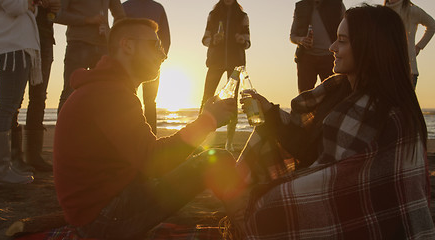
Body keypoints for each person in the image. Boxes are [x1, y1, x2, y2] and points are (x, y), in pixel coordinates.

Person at [224, 4, 434, 238]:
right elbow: (309, 148)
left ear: (368, 47)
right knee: (258, 145)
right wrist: (270, 112)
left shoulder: (373, 112)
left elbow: (331, 181)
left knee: (263, 205)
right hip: (346, 199)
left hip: (366, 219)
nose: (332, 47)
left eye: (342, 40)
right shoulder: (341, 91)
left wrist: (269, 193)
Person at [53, 18, 241, 239]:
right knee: (216, 159)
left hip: (100, 208)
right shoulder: (110, 93)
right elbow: (154, 161)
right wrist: (208, 121)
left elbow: (144, 158)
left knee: (199, 156)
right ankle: (248, 225)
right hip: (102, 219)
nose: (163, 55)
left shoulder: (107, 88)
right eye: (155, 46)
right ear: (128, 46)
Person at [0, 0, 42, 184]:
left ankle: (2, 168)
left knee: (7, 106)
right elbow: (15, 6)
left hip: (15, 45)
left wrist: (32, 5)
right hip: (13, 45)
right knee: (6, 106)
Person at [54, 0, 125, 113]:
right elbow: (58, 15)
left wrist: (112, 34)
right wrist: (87, 20)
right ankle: (63, 130)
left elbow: (120, 16)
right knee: (70, 91)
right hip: (78, 43)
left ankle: (97, 130)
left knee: (104, 93)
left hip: (104, 45)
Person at [200, 0, 250, 152]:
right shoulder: (213, 15)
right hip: (215, 62)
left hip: (235, 63)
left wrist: (242, 40)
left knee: (232, 101)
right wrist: (213, 40)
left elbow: (248, 42)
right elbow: (204, 39)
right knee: (207, 97)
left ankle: (229, 141)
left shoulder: (242, 16)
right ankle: (200, 137)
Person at [16, 0, 61, 172]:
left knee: (39, 96)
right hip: (21, 38)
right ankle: (15, 156)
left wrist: (56, 8)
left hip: (46, 38)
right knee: (16, 98)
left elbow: (58, 11)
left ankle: (33, 156)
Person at [122, 0, 170, 135]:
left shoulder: (158, 8)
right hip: (129, 62)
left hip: (152, 61)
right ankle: (129, 134)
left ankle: (151, 136)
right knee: (127, 98)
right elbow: (118, 34)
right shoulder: (125, 7)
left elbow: (165, 36)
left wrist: (162, 56)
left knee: (150, 101)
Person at [290, 0, 345, 93]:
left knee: (334, 95)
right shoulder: (301, 6)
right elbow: (292, 36)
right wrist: (301, 40)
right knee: (304, 96)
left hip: (331, 58)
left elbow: (347, 30)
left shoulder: (337, 4)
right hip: (306, 59)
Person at [384, 0, 435, 88]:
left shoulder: (412, 10)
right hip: (384, 70)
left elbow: (432, 25)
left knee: (402, 101)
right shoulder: (381, 12)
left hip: (408, 71)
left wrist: (419, 46)